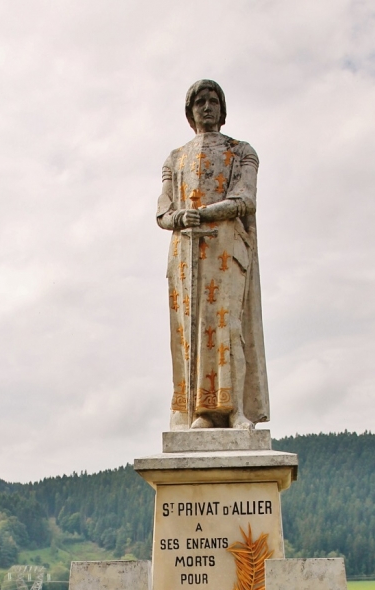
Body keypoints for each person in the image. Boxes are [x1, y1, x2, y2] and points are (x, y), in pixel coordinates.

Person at [157, 79, 269, 431]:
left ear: (222, 109)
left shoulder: (241, 151)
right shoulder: (175, 158)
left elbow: (244, 199)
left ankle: (233, 409)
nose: (207, 107)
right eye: (199, 102)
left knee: (227, 327)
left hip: (226, 249)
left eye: (213, 101)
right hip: (187, 256)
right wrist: (179, 217)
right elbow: (163, 211)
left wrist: (203, 214)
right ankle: (198, 410)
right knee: (189, 333)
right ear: (190, 113)